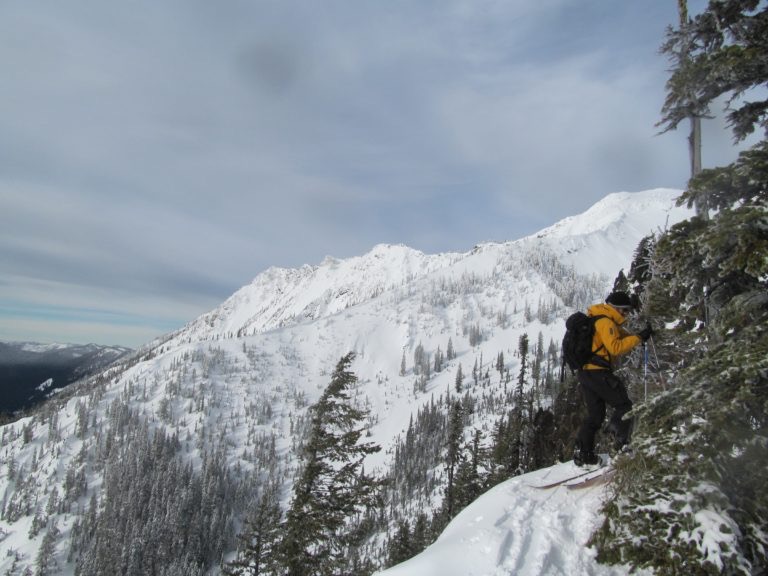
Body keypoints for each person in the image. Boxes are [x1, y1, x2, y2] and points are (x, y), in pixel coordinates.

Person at [573, 291, 652, 466]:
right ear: (616, 308)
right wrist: (639, 338)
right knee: (624, 405)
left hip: (585, 373)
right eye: (624, 311)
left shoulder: (596, 317)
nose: (626, 315)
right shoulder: (605, 322)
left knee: (595, 416)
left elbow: (621, 336)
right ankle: (620, 445)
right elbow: (615, 347)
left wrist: (639, 335)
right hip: (598, 372)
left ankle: (583, 454)